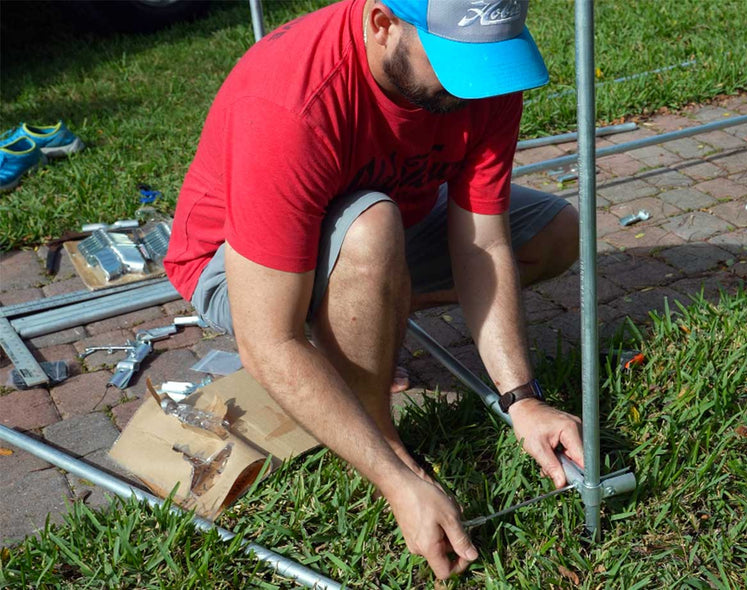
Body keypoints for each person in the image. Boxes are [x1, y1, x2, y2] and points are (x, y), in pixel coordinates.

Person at [164, 0, 585, 580]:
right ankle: (383, 435)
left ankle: (366, 303)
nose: (477, 86)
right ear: (383, 25)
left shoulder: (484, 74)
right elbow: (269, 342)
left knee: (556, 232)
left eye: (487, 61)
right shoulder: (289, 104)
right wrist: (395, 478)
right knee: (372, 227)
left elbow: (483, 244)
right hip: (232, 264)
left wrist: (523, 399)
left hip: (386, 222)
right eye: (455, 62)